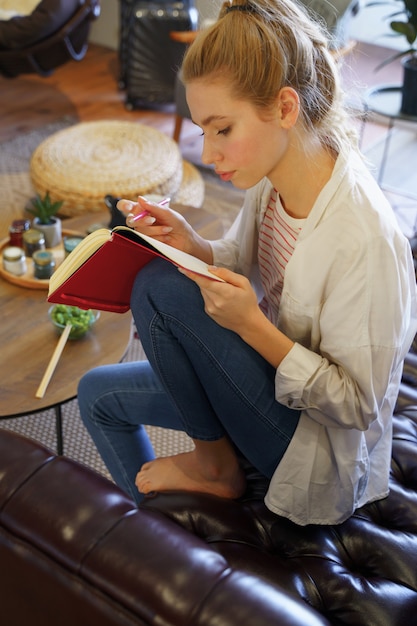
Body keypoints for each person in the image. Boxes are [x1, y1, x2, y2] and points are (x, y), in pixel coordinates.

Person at [78, 0, 417, 525]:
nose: (208, 153)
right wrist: (193, 243)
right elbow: (242, 260)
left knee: (158, 288)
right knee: (96, 392)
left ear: (285, 108)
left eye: (222, 129)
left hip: (313, 442)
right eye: (203, 130)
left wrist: (252, 326)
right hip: (266, 379)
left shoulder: (365, 240)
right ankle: (163, 537)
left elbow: (354, 406)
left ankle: (214, 469)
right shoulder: (276, 176)